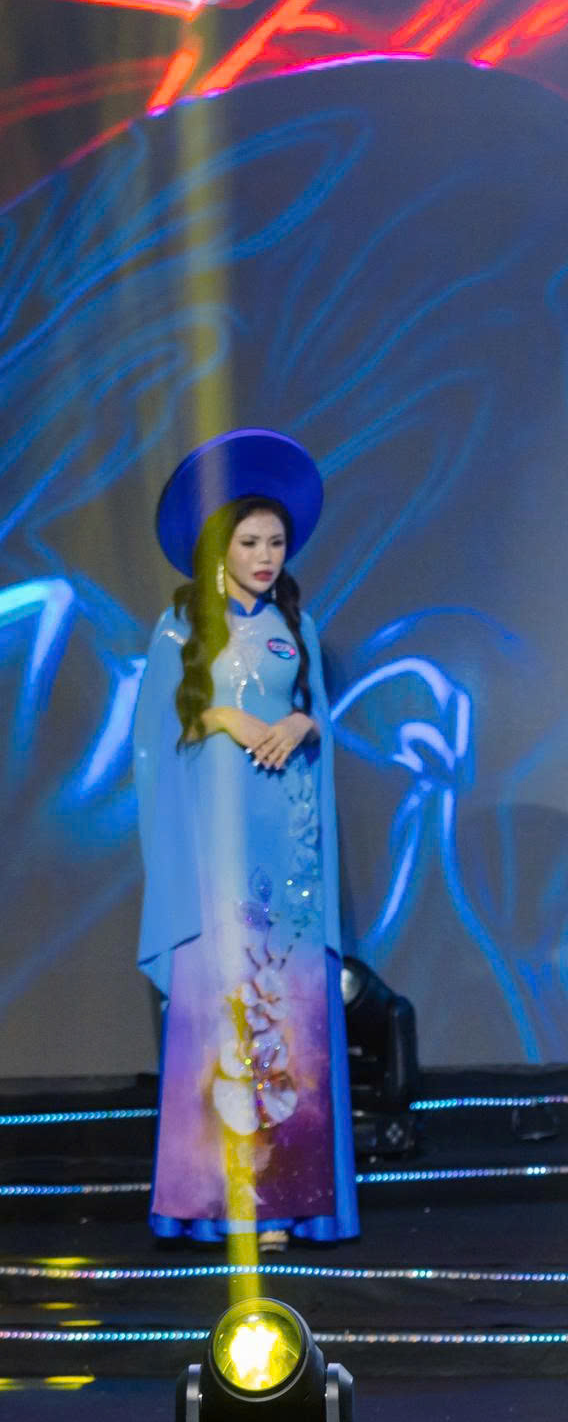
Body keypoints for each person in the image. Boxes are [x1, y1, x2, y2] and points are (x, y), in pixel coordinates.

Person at [134, 429, 357, 1248]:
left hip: (285, 841)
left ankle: (283, 1204)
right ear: (220, 548)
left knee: (284, 1012)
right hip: (218, 844)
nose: (265, 557)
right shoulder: (179, 626)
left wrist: (302, 723)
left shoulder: (296, 621)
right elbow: (154, 737)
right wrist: (223, 714)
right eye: (250, 542)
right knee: (224, 1006)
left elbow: (316, 715)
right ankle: (220, 1201)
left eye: (275, 543)